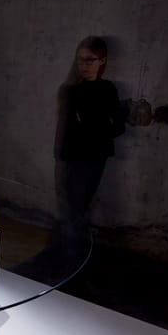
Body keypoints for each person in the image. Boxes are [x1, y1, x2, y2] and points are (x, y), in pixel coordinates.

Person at [54, 36, 125, 254]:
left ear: (102, 61)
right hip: (69, 156)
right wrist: (60, 156)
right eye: (80, 60)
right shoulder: (69, 90)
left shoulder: (107, 89)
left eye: (89, 60)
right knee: (69, 210)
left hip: (94, 157)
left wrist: (92, 125)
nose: (83, 65)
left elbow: (118, 127)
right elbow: (65, 128)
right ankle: (71, 254)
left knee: (79, 208)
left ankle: (75, 255)